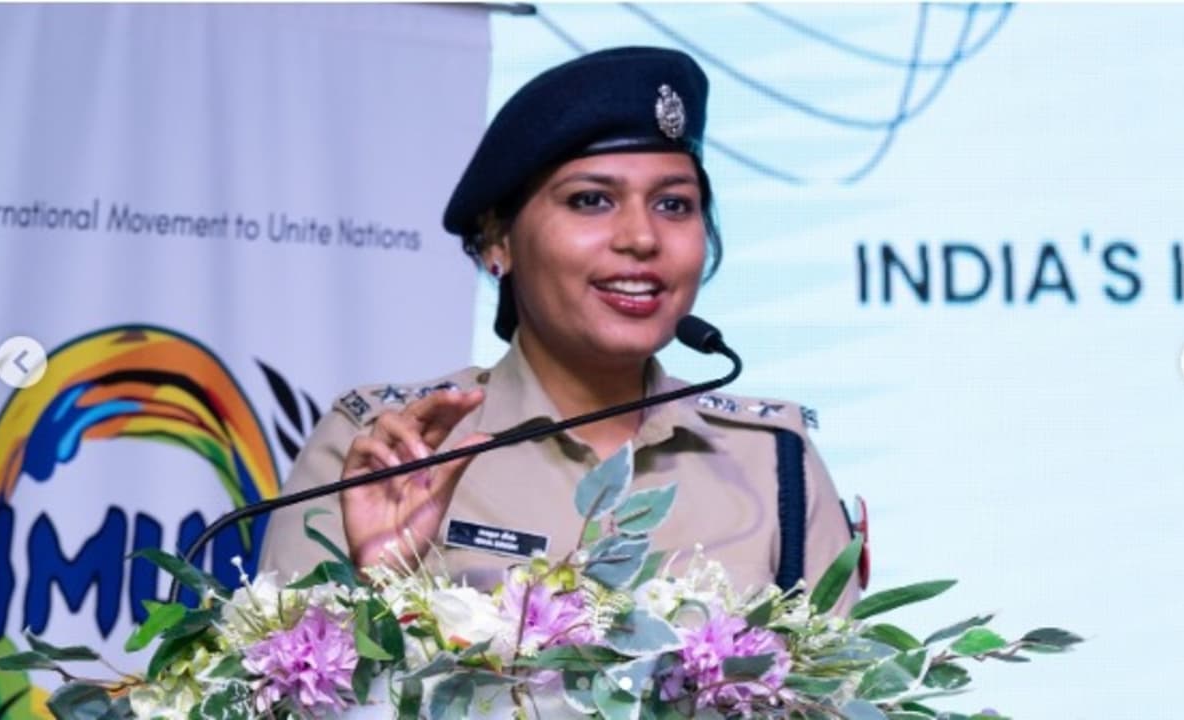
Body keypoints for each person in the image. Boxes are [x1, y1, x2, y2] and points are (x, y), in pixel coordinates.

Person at [258, 46, 860, 606]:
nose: (641, 237)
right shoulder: (390, 449)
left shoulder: (773, 461)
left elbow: (838, 679)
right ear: (496, 241)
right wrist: (378, 588)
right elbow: (280, 673)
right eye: (591, 200)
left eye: (673, 204)